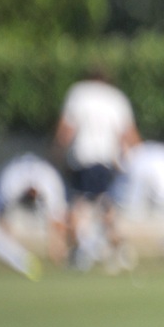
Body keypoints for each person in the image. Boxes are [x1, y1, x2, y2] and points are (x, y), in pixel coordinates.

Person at [53, 66, 141, 269]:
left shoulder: (78, 93)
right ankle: (114, 246)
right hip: (106, 161)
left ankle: (81, 250)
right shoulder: (116, 97)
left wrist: (56, 154)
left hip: (83, 159)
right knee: (103, 205)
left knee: (80, 204)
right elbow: (128, 134)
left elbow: (66, 130)